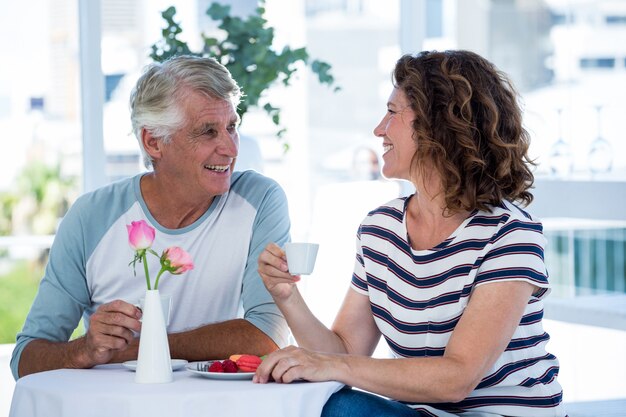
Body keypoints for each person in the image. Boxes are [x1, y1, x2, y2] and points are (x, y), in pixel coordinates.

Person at [255, 50, 567, 416]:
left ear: (437, 125)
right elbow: (344, 355)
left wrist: (329, 366)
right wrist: (287, 296)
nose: (378, 129)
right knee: (322, 400)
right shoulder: (380, 230)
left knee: (337, 409)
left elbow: (457, 379)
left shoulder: (509, 235)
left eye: (392, 112)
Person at [10, 55, 290, 379]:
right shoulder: (91, 217)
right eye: (208, 132)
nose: (230, 148)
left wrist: (139, 348)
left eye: (232, 127)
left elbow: (267, 337)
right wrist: (85, 349)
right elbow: (25, 360)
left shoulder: (260, 200)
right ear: (153, 142)